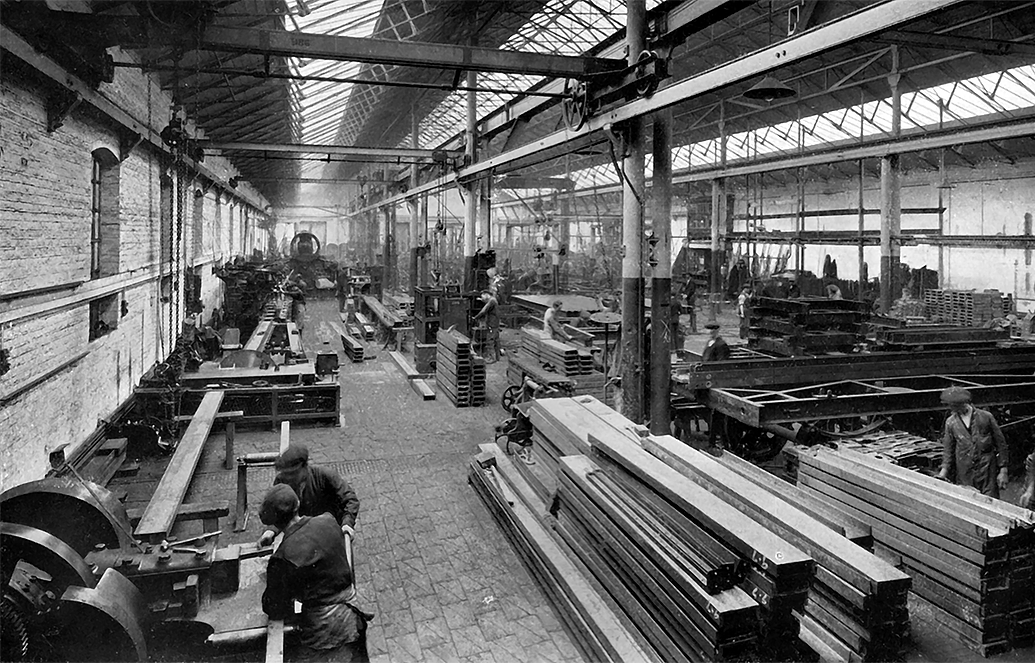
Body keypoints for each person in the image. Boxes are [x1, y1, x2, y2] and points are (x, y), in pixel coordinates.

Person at [260, 485, 372, 662]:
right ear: (298, 504)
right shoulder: (328, 520)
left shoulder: (282, 558)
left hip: (326, 630)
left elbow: (274, 607)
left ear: (273, 521)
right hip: (353, 613)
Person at [259, 443, 360, 546]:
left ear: (305, 467)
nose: (289, 478)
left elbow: (350, 499)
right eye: (285, 474)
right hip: (302, 535)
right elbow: (279, 509)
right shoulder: (281, 481)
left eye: (293, 473)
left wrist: (347, 524)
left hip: (330, 530)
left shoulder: (325, 476)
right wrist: (270, 531)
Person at [935, 387, 1009, 498]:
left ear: (962, 404)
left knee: (990, 500)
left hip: (987, 470)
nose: (950, 408)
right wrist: (943, 472)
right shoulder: (951, 422)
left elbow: (1001, 444)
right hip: (965, 472)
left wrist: (1003, 470)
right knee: (967, 500)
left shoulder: (986, 417)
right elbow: (948, 450)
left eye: (953, 405)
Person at [472, 291, 500, 362]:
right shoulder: (493, 300)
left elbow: (484, 310)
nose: (482, 298)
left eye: (482, 297)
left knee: (490, 341)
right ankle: (497, 357)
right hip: (495, 323)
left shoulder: (491, 301)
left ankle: (491, 358)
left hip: (492, 324)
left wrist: (476, 317)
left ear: (486, 295)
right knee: (496, 340)